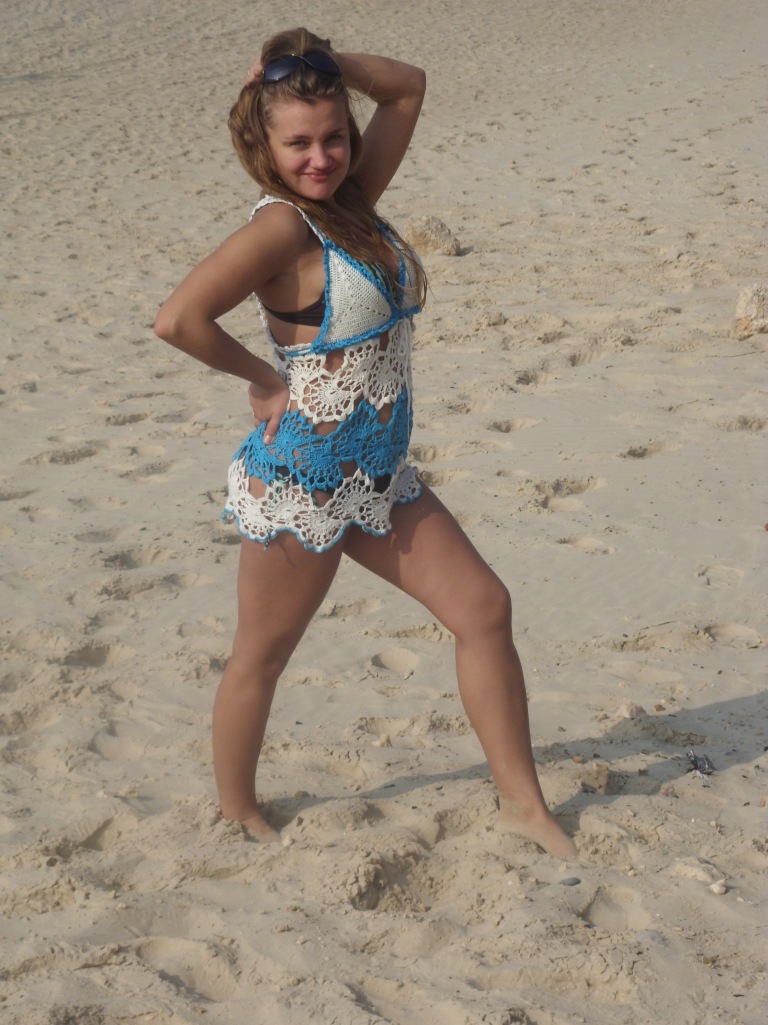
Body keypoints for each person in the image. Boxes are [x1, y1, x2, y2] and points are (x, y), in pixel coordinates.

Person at [155, 27, 577, 859]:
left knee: (484, 609)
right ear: (265, 147)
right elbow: (178, 319)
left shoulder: (347, 202)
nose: (321, 157)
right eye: (299, 143)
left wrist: (321, 61)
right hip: (305, 477)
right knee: (262, 656)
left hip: (377, 472)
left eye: (334, 136)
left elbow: (409, 86)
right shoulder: (283, 228)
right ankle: (236, 811)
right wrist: (264, 378)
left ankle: (524, 806)